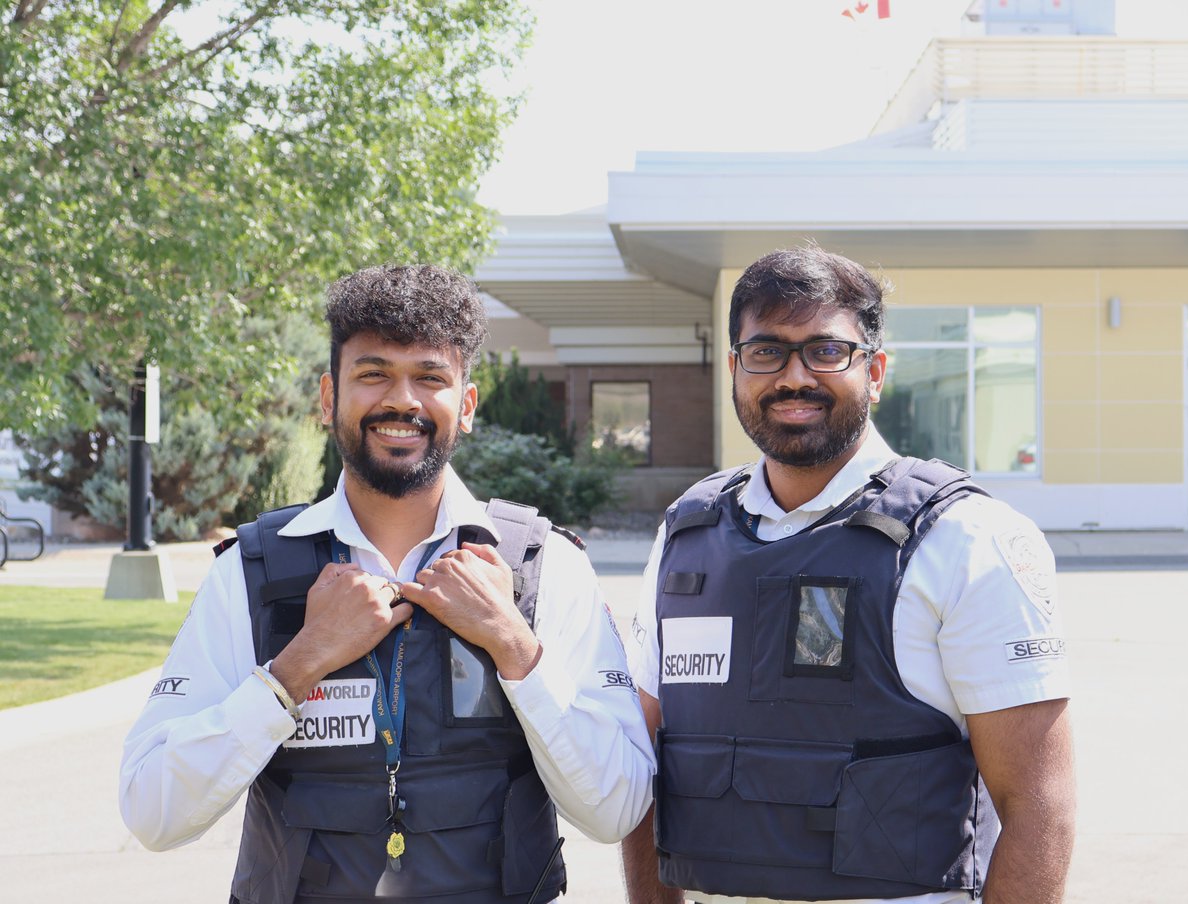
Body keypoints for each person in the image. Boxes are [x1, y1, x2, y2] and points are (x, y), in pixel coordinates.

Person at [120, 264, 655, 904]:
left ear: (466, 405)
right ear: (329, 397)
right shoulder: (251, 569)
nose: (402, 400)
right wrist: (298, 664)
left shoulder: (543, 567)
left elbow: (616, 809)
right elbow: (153, 812)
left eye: (430, 377)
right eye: (373, 374)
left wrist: (512, 643)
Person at [620, 245, 1075, 904]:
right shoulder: (685, 536)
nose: (794, 376)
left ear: (876, 371)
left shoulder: (967, 538)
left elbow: (1040, 803)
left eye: (826, 351)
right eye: (766, 351)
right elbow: (643, 765)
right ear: (735, 369)